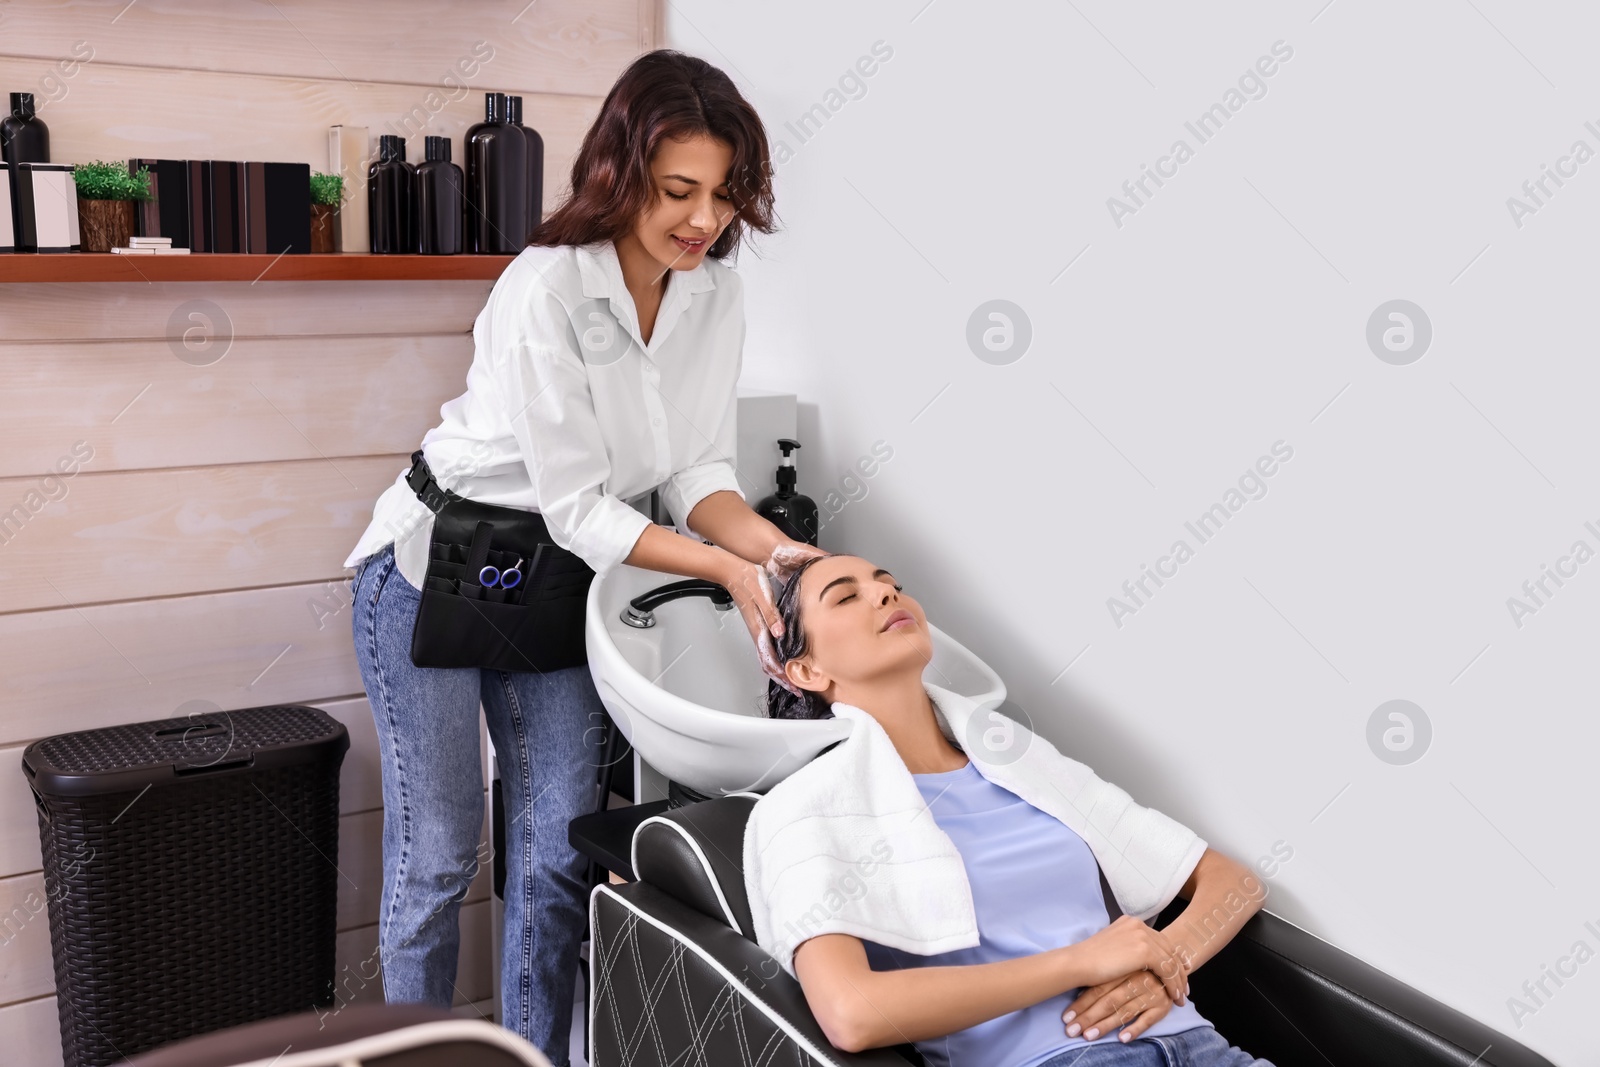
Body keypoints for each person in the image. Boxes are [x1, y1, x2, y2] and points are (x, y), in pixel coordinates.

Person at [341, 50, 822, 1065]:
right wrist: (724, 572)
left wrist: (785, 557)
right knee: (436, 856)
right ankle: (408, 1056)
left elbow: (696, 470)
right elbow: (575, 505)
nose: (703, 220)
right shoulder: (546, 288)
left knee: (557, 850)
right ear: (620, 174)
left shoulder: (711, 296)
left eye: (724, 195)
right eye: (678, 191)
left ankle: (527, 1054)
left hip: (555, 584)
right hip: (435, 567)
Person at [758, 553, 1276, 1067]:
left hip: (1207, 1048)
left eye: (890, 582)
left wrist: (1164, 964)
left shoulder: (1016, 759)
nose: (885, 594)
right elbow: (850, 1014)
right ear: (805, 669)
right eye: (847, 596)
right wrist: (1077, 961)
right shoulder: (809, 807)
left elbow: (1234, 883)